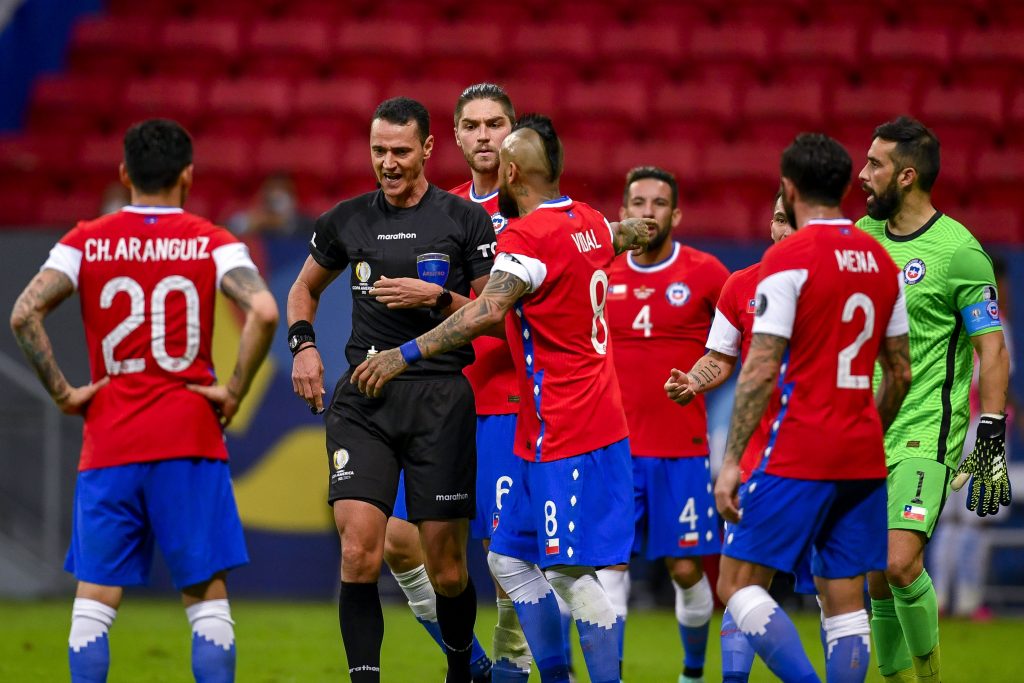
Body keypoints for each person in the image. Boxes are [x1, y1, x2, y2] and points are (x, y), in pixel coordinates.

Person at [350, 114, 653, 683]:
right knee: (507, 558)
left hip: (569, 427)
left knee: (568, 573)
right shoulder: (588, 220)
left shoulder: (525, 238)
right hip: (556, 424)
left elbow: (486, 311)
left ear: (511, 173)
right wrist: (638, 231)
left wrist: (401, 355)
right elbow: (619, 235)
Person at [9, 118, 279, 683]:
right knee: (206, 600)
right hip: (189, 437)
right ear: (187, 175)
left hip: (111, 439)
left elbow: (24, 313)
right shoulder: (213, 241)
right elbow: (263, 310)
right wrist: (234, 390)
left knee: (94, 602)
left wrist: (63, 393)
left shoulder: (83, 240)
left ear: (124, 173)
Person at [287, 97, 495, 683]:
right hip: (365, 397)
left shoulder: (463, 220)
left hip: (439, 398)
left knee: (447, 568)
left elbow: (491, 313)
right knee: (359, 552)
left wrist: (438, 298)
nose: (388, 162)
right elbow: (304, 289)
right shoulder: (346, 220)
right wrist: (303, 345)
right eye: (378, 150)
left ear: (427, 148)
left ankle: (462, 669)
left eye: (400, 151)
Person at [714, 133, 912, 683]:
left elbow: (759, 367)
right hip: (862, 456)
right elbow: (900, 373)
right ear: (845, 187)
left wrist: (730, 462)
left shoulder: (787, 259)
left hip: (800, 448)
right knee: (844, 601)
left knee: (736, 585)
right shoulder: (880, 262)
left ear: (790, 188)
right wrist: (867, 429)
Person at [856, 116, 1012, 683]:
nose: (862, 173)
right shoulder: (862, 238)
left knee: (899, 562)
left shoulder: (959, 252)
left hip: (926, 430)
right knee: (876, 577)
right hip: (866, 429)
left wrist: (990, 433)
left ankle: (930, 678)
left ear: (907, 176)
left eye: (875, 164)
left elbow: (992, 349)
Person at [377, 82, 524, 682]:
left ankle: (511, 670)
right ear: (454, 138)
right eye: (472, 125)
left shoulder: (535, 212)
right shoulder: (439, 211)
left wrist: (441, 300)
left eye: (495, 123)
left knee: (506, 558)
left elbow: (511, 317)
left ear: (514, 132)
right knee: (397, 541)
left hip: (510, 402)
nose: (484, 134)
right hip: (441, 401)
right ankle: (475, 664)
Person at [666, 192, 809, 683]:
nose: (784, 229)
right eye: (778, 219)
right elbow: (721, 356)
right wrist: (694, 379)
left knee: (836, 592)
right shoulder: (741, 285)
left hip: (824, 453)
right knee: (741, 584)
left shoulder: (832, 285)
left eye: (793, 221)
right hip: (760, 457)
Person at [602, 165, 729, 683]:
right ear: (622, 212)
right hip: (612, 447)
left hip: (681, 448)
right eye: (638, 203)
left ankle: (693, 673)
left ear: (676, 214)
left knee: (685, 569)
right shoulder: (603, 270)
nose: (648, 212)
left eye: (658, 203)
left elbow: (735, 345)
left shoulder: (707, 273)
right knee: (609, 566)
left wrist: (698, 380)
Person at [226, 172, 314, 237]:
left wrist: (283, 223)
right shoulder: (254, 219)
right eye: (273, 189)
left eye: (282, 189)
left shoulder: (307, 223)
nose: (277, 195)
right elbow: (231, 228)